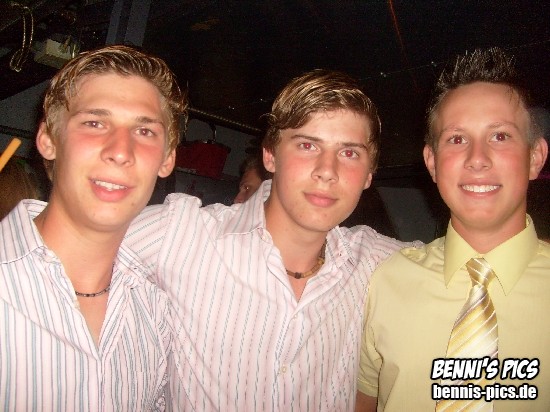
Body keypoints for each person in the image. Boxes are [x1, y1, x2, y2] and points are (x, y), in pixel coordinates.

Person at [125, 69, 413, 411]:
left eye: (349, 153)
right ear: (270, 156)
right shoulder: (181, 234)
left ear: (368, 175)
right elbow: (70, 241)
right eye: (307, 145)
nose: (327, 170)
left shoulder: (378, 263)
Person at [356, 47, 549, 411]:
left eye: (500, 136)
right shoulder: (385, 281)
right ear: (431, 162)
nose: (477, 158)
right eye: (457, 139)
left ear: (535, 157)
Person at [0, 45, 187, 409]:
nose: (121, 151)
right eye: (95, 123)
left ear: (167, 159)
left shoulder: (155, 311)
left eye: (144, 130)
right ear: (48, 140)